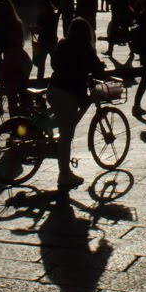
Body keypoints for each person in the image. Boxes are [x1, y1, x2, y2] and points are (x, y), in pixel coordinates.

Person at [48, 17, 109, 189]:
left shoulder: (62, 44)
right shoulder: (86, 48)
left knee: (61, 120)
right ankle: (64, 174)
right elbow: (96, 67)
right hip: (68, 93)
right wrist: (101, 68)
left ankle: (42, 130)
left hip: (53, 89)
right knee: (66, 135)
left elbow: (54, 63)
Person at [0, 0, 32, 116]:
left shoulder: (0, 24)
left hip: (10, 59)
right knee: (23, 89)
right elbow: (21, 42)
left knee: (11, 94)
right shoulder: (18, 23)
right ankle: (27, 117)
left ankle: (14, 122)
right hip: (22, 58)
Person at [32, 0, 59, 81]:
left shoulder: (45, 16)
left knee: (44, 64)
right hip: (50, 41)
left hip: (47, 41)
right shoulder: (52, 15)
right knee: (53, 63)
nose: (39, 8)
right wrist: (36, 29)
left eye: (40, 6)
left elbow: (45, 28)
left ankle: (40, 81)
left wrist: (35, 29)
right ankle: (58, 79)